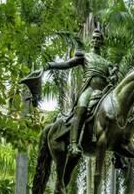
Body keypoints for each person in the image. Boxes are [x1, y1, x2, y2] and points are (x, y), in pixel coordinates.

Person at [45, 29, 117, 157]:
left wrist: (113, 77)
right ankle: (73, 144)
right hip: (89, 89)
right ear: (91, 42)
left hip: (104, 92)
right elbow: (67, 64)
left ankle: (117, 150)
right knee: (82, 108)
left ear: (102, 42)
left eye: (98, 39)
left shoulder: (107, 63)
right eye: (94, 38)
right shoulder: (85, 56)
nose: (95, 40)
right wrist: (50, 65)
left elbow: (114, 79)